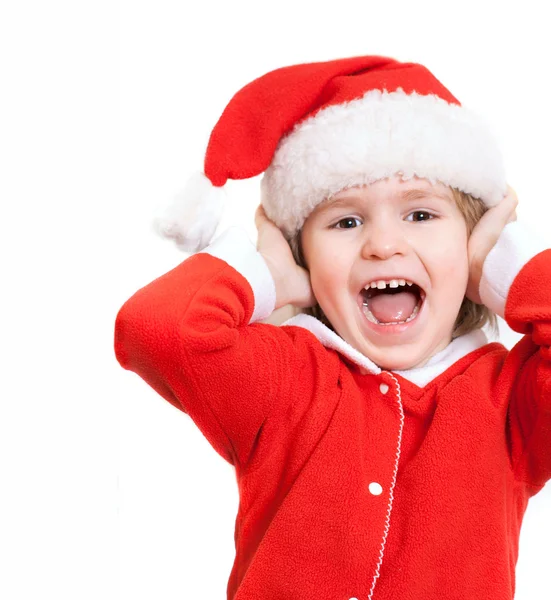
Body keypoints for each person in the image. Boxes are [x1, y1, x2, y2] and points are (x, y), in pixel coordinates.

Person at [114, 55, 550, 599]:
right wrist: (267, 276)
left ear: (474, 247)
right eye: (346, 221)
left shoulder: (513, 403)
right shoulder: (285, 379)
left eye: (421, 215)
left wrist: (515, 269)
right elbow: (158, 328)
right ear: (304, 257)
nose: (383, 244)